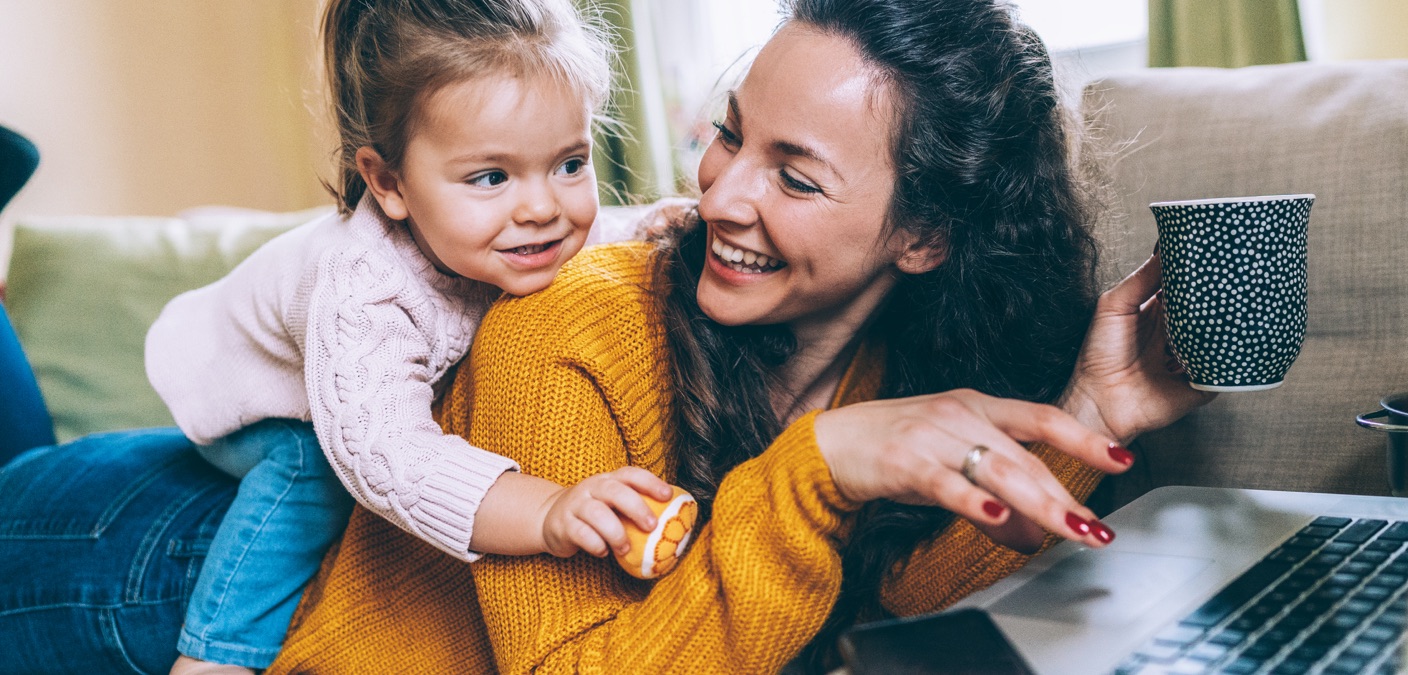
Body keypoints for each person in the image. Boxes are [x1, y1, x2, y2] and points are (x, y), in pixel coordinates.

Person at [266, 0, 1212, 672]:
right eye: (730, 133)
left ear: (923, 237)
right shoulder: (559, 327)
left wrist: (1084, 417)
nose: (717, 195)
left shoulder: (883, 361)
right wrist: (815, 470)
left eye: (794, 178)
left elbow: (904, 606)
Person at [141, 1, 673, 673]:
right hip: (246, 392)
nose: (544, 205)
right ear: (389, 183)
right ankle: (215, 652)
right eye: (491, 177)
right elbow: (388, 458)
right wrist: (547, 509)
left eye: (570, 163)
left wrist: (673, 224)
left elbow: (614, 231)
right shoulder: (363, 286)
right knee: (313, 472)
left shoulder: (534, 228)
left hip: (329, 375)